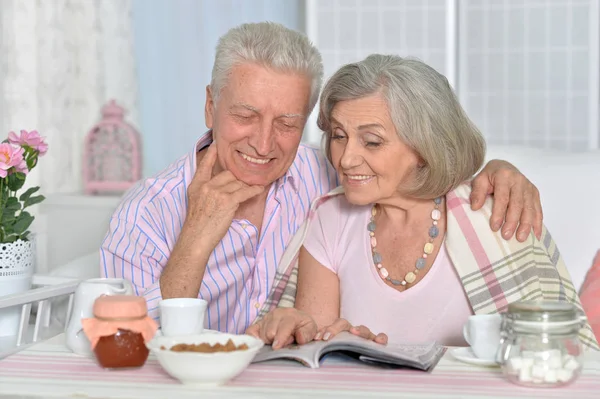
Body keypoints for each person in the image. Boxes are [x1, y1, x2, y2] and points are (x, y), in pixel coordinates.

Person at [100, 22, 544, 335]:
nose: (264, 143)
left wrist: (497, 171)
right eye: (244, 116)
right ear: (210, 106)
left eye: (288, 123)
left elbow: (406, 160)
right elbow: (135, 354)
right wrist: (196, 236)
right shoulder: (145, 214)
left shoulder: (330, 178)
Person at [246, 54, 598, 350]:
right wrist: (330, 342)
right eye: (339, 136)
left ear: (423, 148)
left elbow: (556, 354)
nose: (346, 159)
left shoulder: (496, 214)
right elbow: (315, 355)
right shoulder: (330, 216)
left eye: (371, 141)